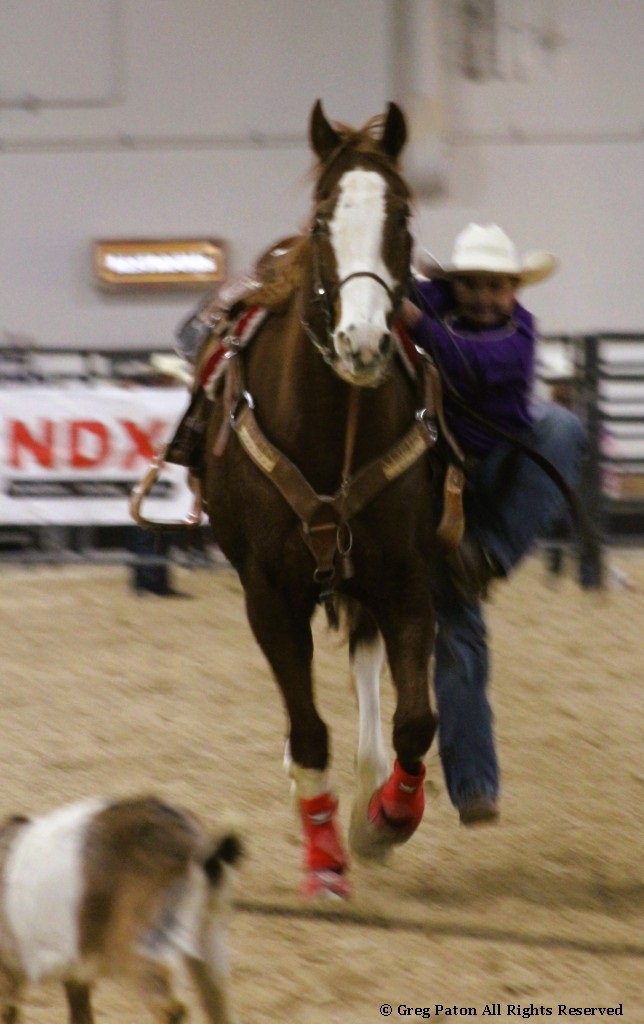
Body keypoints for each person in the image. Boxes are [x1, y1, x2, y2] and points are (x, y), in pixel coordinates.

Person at [401, 223, 587, 825]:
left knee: (561, 428)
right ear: (458, 285)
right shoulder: (441, 304)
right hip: (439, 482)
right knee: (459, 639)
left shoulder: (517, 334)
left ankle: (494, 553)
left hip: (492, 471)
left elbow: (467, 360)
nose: (485, 296)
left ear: (514, 290)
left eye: (497, 286)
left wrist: (415, 314)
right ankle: (475, 785)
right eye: (474, 284)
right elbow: (390, 290)